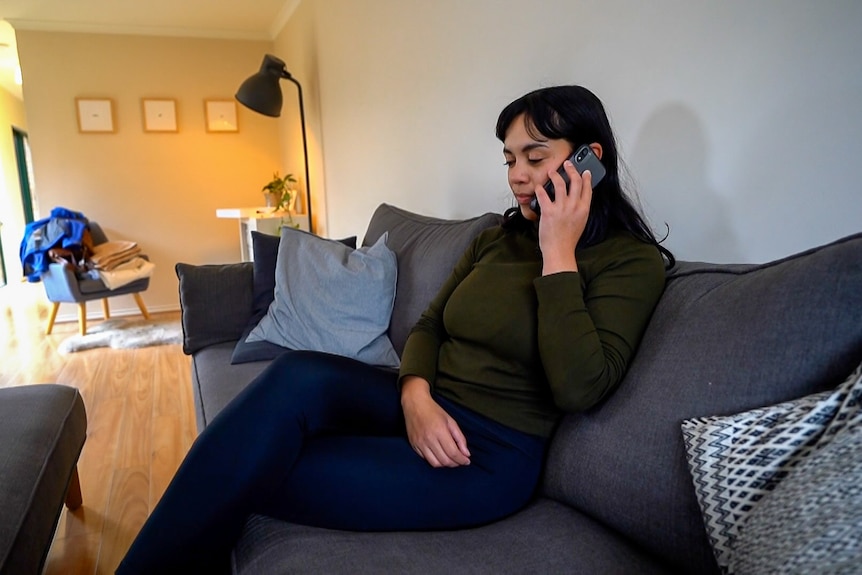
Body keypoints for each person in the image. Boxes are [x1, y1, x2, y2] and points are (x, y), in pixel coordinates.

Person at [116, 85, 672, 574]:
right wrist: (414, 394)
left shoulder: (632, 263)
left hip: (481, 454)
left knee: (257, 465)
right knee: (296, 376)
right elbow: (430, 324)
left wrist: (559, 254)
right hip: (420, 404)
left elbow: (580, 386)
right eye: (509, 159)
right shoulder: (496, 238)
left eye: (534, 156)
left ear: (588, 160)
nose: (517, 177)